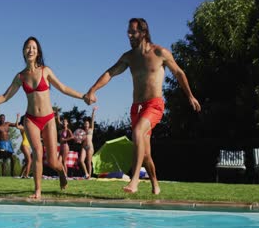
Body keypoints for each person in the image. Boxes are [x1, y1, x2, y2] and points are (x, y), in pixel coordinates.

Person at [84, 18, 201, 194]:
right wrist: (93, 89)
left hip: (154, 105)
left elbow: (178, 72)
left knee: (137, 132)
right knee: (145, 154)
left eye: (133, 32)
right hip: (136, 108)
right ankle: (155, 183)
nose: (129, 36)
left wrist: (190, 96)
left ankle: (135, 180)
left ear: (143, 32)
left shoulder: (160, 53)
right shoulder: (129, 57)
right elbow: (110, 73)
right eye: (128, 33)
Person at [0, 36, 85, 199]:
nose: (30, 50)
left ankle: (61, 171)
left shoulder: (46, 71)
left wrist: (83, 96)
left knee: (52, 161)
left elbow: (63, 88)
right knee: (37, 153)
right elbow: (4, 96)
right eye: (27, 47)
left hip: (48, 120)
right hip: (31, 119)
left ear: (38, 52)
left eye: (33, 47)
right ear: (23, 52)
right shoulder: (21, 77)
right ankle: (38, 190)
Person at [79, 106, 98, 179]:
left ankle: (89, 176)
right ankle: (86, 173)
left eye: (87, 123)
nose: (86, 124)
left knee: (88, 162)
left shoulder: (91, 129)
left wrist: (93, 112)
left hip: (90, 147)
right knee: (81, 160)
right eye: (85, 123)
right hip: (84, 147)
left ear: (89, 124)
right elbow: (80, 140)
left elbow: (92, 120)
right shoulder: (82, 131)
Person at [56, 111, 74, 176]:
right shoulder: (61, 128)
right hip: (61, 146)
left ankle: (65, 175)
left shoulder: (68, 130)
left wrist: (65, 139)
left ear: (67, 123)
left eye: (65, 122)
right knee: (58, 161)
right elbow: (58, 121)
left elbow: (72, 137)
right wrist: (58, 113)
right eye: (63, 122)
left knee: (64, 161)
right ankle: (61, 174)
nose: (64, 123)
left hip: (65, 146)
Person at [16, 114, 32, 178]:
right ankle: (26, 175)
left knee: (27, 162)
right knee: (30, 161)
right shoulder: (22, 127)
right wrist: (17, 118)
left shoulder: (27, 127)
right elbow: (17, 126)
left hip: (27, 145)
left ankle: (21, 175)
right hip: (24, 145)